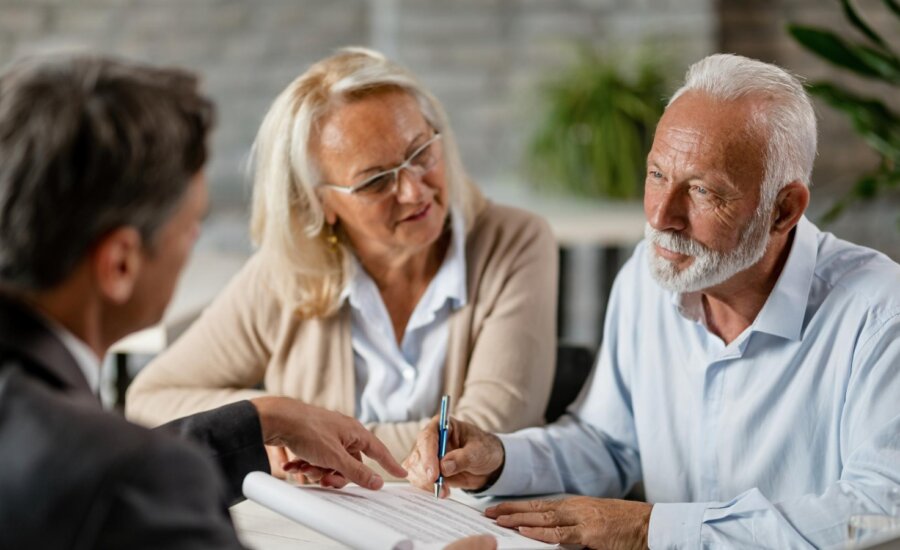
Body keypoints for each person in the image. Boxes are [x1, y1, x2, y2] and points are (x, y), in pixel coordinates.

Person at [404, 53, 900, 549]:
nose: (662, 216)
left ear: (783, 209)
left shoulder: (881, 314)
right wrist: (500, 458)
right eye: (657, 175)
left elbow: (879, 515)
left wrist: (650, 529)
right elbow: (608, 444)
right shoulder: (646, 277)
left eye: (703, 191)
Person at [0, 53, 418, 549]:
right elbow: (117, 480)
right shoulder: (131, 481)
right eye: (191, 227)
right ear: (120, 265)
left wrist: (262, 421)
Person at [125, 47, 558, 476]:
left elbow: (486, 439)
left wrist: (315, 440)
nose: (414, 191)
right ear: (319, 203)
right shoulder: (288, 272)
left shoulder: (516, 241)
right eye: (375, 180)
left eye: (421, 152)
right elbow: (150, 399)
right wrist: (272, 421)